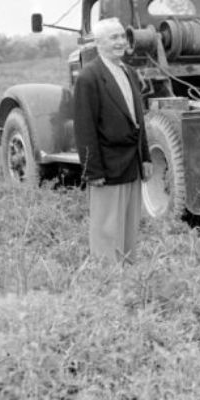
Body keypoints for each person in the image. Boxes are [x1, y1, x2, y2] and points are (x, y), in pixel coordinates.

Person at [73, 17, 153, 264]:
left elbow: (138, 119)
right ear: (98, 43)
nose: (121, 42)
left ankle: (127, 271)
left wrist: (146, 157)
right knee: (106, 228)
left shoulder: (129, 72)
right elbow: (84, 128)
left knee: (129, 225)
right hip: (107, 167)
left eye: (122, 36)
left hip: (132, 163)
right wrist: (93, 171)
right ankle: (106, 276)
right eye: (113, 38)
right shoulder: (88, 77)